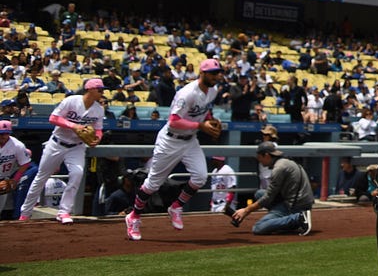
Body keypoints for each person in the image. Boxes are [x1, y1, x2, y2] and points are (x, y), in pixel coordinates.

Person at [123, 58, 225, 241]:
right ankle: (134, 216)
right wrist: (201, 126)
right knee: (153, 183)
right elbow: (174, 120)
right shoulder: (187, 93)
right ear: (202, 73)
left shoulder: (213, 90)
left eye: (219, 72)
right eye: (213, 73)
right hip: (171, 140)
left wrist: (211, 120)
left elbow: (204, 111)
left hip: (190, 140)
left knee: (200, 177)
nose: (217, 76)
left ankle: (176, 206)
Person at [18, 77, 106, 222]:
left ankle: (64, 212)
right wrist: (73, 126)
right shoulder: (71, 101)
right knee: (41, 177)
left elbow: (98, 129)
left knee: (77, 174)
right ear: (90, 89)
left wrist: (97, 138)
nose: (102, 92)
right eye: (99, 89)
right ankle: (25, 213)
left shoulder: (98, 109)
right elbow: (53, 118)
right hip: (57, 143)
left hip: (77, 147)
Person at [230, 142, 313, 235]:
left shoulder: (279, 168)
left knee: (258, 228)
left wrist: (246, 211)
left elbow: (268, 197)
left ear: (266, 155)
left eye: (259, 157)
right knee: (259, 193)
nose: (259, 161)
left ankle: (298, 218)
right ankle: (286, 220)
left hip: (295, 206)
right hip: (299, 201)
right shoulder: (286, 162)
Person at [0, 119, 32, 220]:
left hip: (4, 179)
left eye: (6, 133)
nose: (3, 136)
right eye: (1, 133)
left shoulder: (17, 145)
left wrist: (15, 179)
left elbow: (25, 163)